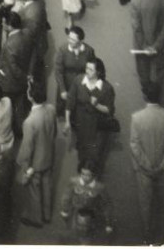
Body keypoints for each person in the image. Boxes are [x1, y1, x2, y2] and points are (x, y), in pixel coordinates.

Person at [16, 82, 57, 227]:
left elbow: (27, 148)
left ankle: (36, 218)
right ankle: (46, 215)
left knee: (34, 191)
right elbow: (54, 133)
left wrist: (25, 166)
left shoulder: (29, 121)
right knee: (47, 185)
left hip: (35, 162)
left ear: (30, 97)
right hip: (49, 156)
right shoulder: (51, 109)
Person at [129, 96, 164, 244]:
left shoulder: (137, 117)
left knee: (146, 203)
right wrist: (163, 164)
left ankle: (148, 237)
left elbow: (134, 145)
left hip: (144, 170)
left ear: (145, 97)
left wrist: (146, 165)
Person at [67, 57, 116, 175]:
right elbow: (70, 102)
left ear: (98, 72)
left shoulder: (107, 88)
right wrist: (68, 122)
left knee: (94, 160)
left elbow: (109, 110)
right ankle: (82, 186)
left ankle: (93, 187)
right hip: (82, 126)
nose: (87, 71)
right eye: (86, 68)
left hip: (97, 130)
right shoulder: (78, 81)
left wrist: (96, 105)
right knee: (82, 157)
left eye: (90, 69)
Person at [129, 0, 164, 102]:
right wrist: (155, 45)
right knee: (159, 71)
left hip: (140, 47)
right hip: (160, 46)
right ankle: (157, 98)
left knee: (143, 72)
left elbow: (136, 27)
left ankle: (147, 97)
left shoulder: (135, 0)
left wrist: (145, 46)